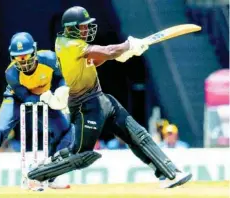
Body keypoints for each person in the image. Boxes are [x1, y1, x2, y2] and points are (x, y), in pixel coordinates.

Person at [28, 6, 192, 188]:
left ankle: (169, 174)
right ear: (71, 28)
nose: (87, 30)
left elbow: (96, 58)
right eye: (83, 26)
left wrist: (124, 53)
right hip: (85, 107)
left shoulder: (75, 44)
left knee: (138, 135)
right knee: (81, 156)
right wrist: (128, 46)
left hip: (102, 100)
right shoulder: (67, 44)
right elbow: (106, 51)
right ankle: (37, 174)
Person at [0, 32, 73, 190]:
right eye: (18, 58)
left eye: (26, 56)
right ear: (12, 57)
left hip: (45, 97)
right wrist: (50, 98)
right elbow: (27, 99)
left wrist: (62, 91)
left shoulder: (50, 59)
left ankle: (51, 177)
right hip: (16, 100)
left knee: (67, 132)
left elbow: (63, 77)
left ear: (34, 51)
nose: (23, 62)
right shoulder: (11, 73)